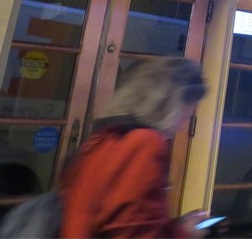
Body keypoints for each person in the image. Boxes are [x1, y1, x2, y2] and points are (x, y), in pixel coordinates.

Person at [60, 57, 209, 237]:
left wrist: (175, 226)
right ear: (167, 105)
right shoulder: (145, 143)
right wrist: (185, 233)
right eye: (185, 115)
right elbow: (133, 233)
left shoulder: (106, 137)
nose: (183, 125)